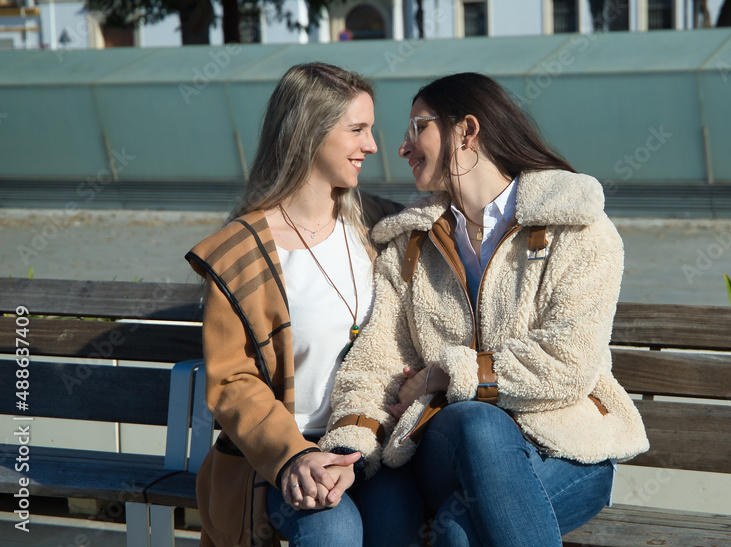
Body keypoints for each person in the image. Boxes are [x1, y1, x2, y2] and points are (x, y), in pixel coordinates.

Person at [319, 72, 649, 546]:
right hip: (449, 450)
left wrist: (443, 375)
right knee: (475, 422)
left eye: (418, 128)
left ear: (467, 131)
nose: (403, 147)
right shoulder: (410, 246)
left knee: (458, 532)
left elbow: (568, 364)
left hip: (565, 452)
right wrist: (351, 443)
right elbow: (376, 363)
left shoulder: (576, 230)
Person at [185, 62, 412, 546]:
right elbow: (232, 383)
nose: (372, 146)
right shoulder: (239, 253)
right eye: (357, 130)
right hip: (279, 458)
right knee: (333, 529)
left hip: (374, 443)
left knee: (400, 523)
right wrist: (295, 457)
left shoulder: (384, 226)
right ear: (309, 134)